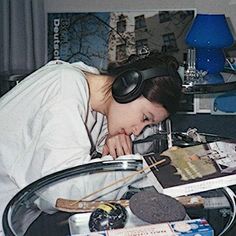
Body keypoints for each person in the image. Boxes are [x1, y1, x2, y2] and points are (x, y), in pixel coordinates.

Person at [0, 57, 182, 234]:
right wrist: (126, 167)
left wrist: (113, 145)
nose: (137, 130)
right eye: (144, 118)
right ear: (128, 87)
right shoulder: (66, 90)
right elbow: (61, 192)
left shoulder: (97, 101)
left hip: (14, 216)